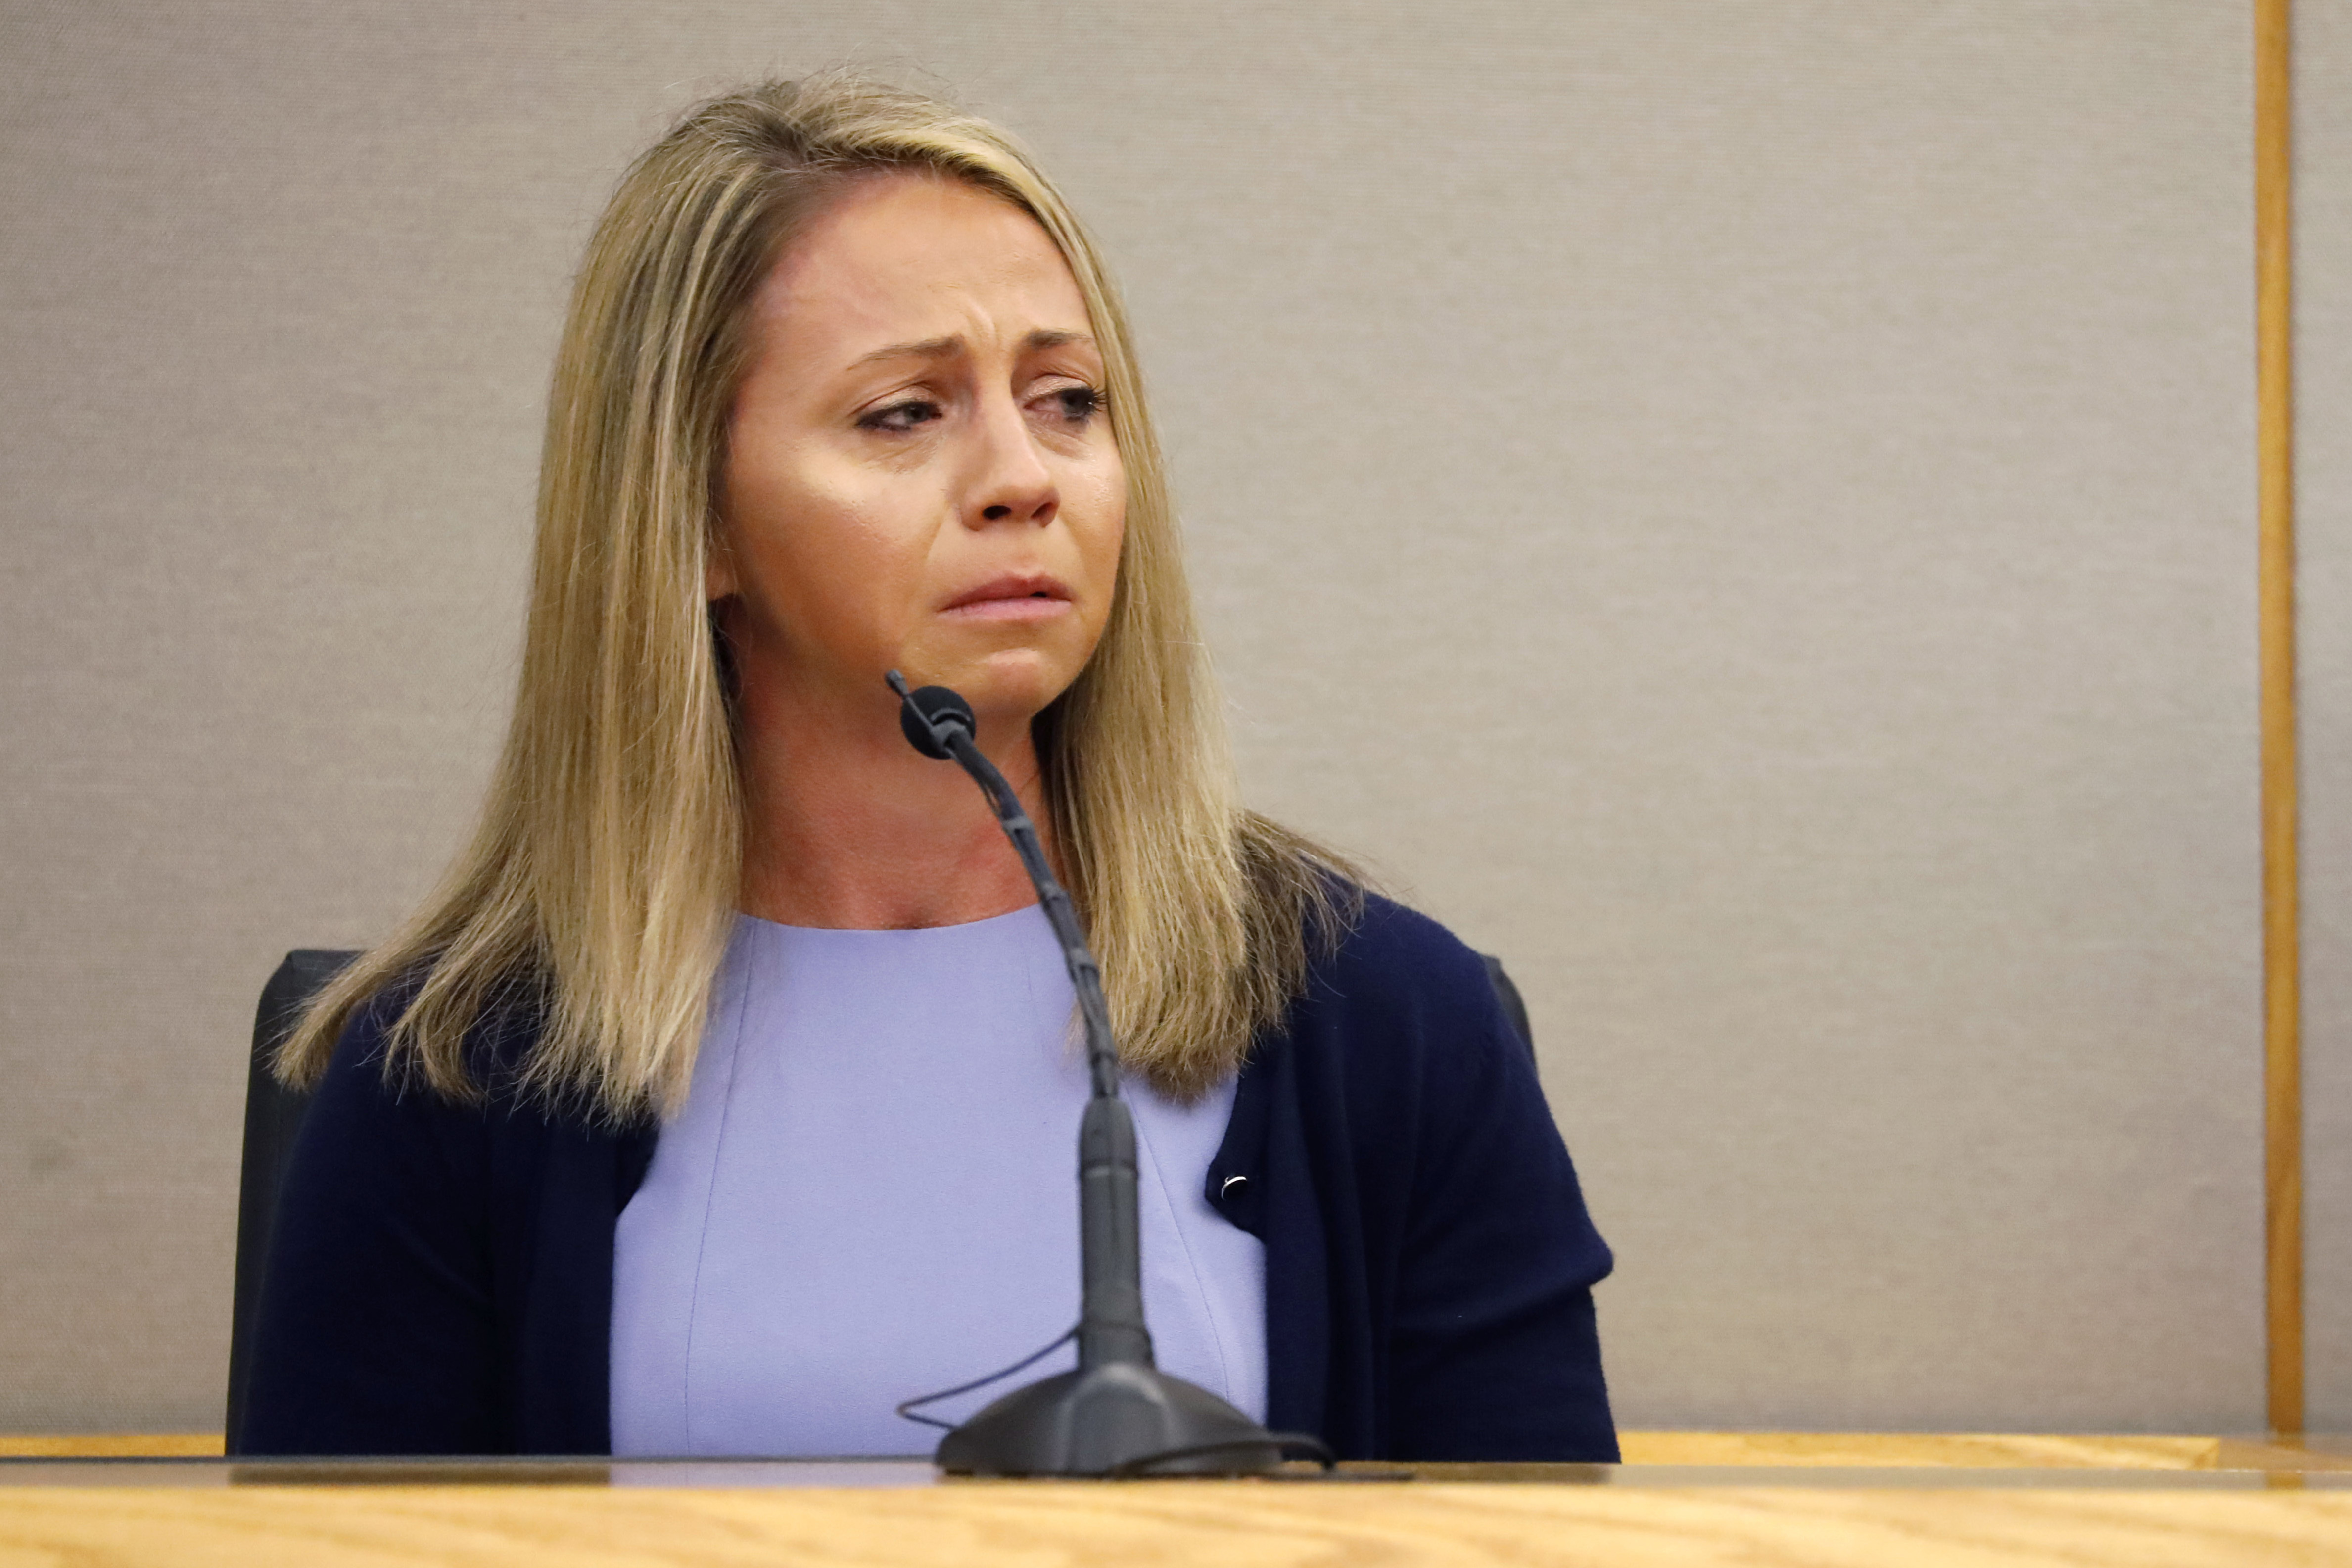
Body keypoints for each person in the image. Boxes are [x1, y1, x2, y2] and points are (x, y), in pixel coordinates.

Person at [236, 73, 1616, 1462]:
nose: (1026, 478)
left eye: (1068, 400)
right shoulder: (459, 1073)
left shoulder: (1388, 1023)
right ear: (694, 522)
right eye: (905, 414)